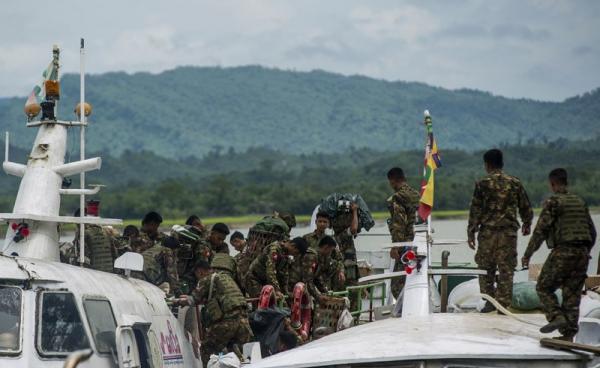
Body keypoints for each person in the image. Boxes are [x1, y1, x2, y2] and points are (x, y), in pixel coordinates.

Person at [521, 168, 596, 341]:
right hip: (583, 254)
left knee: (543, 286)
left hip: (563, 251)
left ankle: (556, 317)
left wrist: (527, 255)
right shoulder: (579, 201)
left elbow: (540, 231)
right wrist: (586, 251)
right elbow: (592, 232)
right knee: (572, 294)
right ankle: (568, 334)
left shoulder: (553, 202)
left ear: (553, 184)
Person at [467, 149, 533, 312]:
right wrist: (527, 223)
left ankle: (490, 301)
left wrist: (471, 232)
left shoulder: (482, 183)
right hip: (508, 234)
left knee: (485, 267)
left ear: (487, 164)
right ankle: (503, 304)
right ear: (501, 163)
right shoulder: (514, 182)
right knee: (506, 268)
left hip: (488, 233)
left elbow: (475, 210)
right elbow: (525, 206)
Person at [179, 261, 252, 365]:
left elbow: (193, 299)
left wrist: (180, 301)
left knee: (206, 349)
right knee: (239, 353)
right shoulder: (226, 278)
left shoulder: (206, 280)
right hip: (244, 321)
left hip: (227, 322)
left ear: (200, 272)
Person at [386, 167, 420, 298]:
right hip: (418, 243)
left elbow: (399, 223)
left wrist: (396, 247)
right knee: (414, 278)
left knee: (397, 285)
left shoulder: (398, 197)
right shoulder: (416, 194)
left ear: (392, 180)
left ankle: (405, 314)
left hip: (405, 245)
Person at [331, 202, 360, 307]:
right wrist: (355, 211)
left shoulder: (333, 238)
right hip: (347, 271)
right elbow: (354, 229)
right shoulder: (343, 235)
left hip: (344, 270)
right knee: (351, 294)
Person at [287, 237, 322, 302]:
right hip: (292, 288)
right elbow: (308, 280)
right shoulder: (310, 254)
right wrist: (319, 298)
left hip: (295, 288)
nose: (295, 254)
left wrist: (323, 293)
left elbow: (315, 277)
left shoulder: (309, 254)